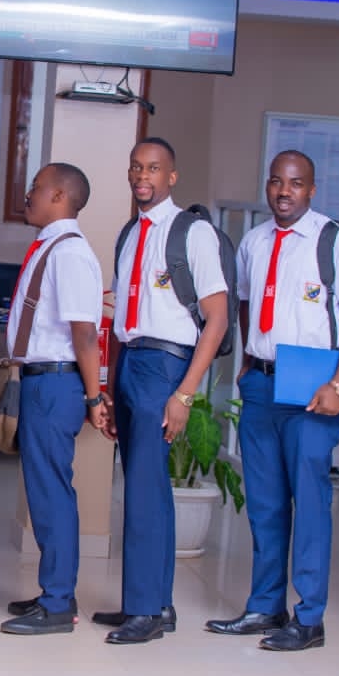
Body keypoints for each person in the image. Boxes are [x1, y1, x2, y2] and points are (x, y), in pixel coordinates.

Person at [206, 150, 339, 651]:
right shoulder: (255, 242)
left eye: (296, 183)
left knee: (310, 501)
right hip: (260, 383)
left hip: (313, 387)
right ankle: (264, 606)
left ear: (312, 189)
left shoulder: (335, 240)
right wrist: (245, 364)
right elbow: (243, 302)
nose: (285, 191)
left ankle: (310, 617)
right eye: (277, 182)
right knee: (265, 503)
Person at [97, 138, 229, 645]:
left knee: (147, 493)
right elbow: (118, 318)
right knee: (143, 486)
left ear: (172, 176)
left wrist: (185, 394)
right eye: (135, 167)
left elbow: (215, 319)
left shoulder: (192, 233)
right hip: (131, 357)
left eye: (153, 168)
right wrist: (108, 386)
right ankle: (156, 603)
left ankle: (145, 611)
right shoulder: (130, 233)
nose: (142, 176)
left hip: (165, 364)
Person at [0, 163, 105, 636]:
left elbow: (85, 334)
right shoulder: (49, 247)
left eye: (37, 189)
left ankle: (59, 602)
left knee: (52, 493)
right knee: (43, 491)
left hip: (58, 382)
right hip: (41, 379)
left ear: (60, 196)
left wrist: (94, 396)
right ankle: (54, 592)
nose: (28, 195)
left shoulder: (71, 254)